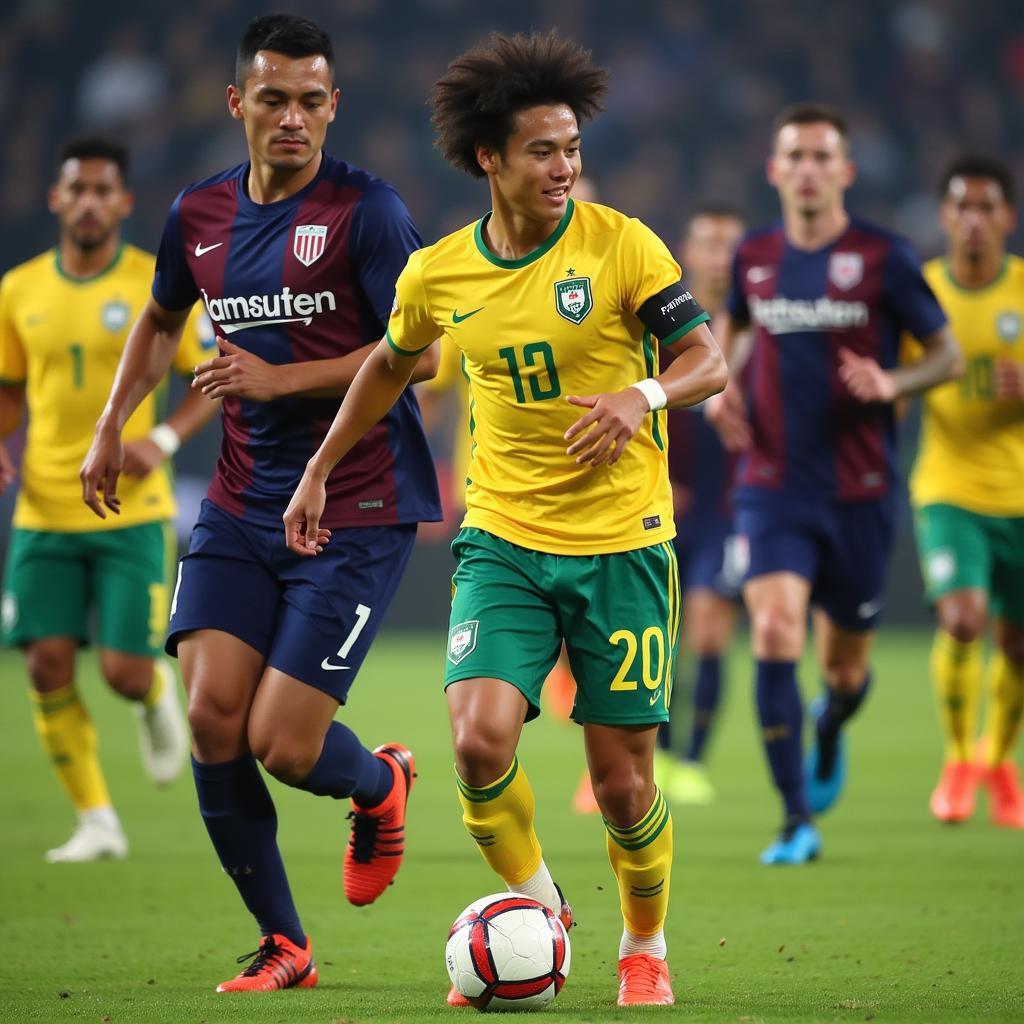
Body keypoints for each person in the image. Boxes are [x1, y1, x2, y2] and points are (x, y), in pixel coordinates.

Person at [284, 31, 727, 1007]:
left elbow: (708, 362)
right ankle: (542, 908)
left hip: (622, 546)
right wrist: (319, 467)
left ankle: (643, 943)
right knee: (480, 742)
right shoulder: (440, 273)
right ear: (490, 157)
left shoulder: (622, 245)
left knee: (620, 784)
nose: (564, 166)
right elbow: (389, 365)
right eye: (541, 149)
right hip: (503, 541)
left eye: (571, 147)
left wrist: (640, 397)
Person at [79, 15, 441, 993]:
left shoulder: (368, 210)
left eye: (311, 100)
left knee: (283, 744)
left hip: (352, 507)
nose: (293, 117)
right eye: (273, 98)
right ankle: (285, 942)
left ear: (334, 106)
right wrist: (116, 420)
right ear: (237, 102)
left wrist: (281, 384)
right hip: (241, 504)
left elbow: (426, 354)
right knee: (210, 720)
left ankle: (382, 780)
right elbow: (159, 320)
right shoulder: (197, 213)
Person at [705, 103, 961, 864]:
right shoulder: (755, 256)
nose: (809, 169)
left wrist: (892, 379)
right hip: (773, 483)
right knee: (778, 631)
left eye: (823, 157)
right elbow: (733, 329)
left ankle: (831, 718)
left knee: (846, 668)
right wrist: (721, 387)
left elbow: (944, 355)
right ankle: (794, 821)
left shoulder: (884, 256)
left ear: (844, 171)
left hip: (861, 490)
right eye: (796, 156)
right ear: (775, 169)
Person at [0, 136, 213, 863]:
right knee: (45, 665)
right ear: (57, 199)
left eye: (103, 190)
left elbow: (206, 378)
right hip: (42, 510)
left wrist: (163, 442)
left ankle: (152, 692)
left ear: (123, 203)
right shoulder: (19, 290)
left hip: (133, 508)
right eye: (76, 189)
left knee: (121, 670)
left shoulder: (154, 285)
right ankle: (97, 820)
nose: (89, 201)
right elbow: (8, 390)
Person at [905, 155, 1024, 827]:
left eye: (987, 208)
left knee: (1017, 643)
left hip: (1021, 492)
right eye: (962, 207)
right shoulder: (920, 293)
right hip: (949, 486)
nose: (974, 220)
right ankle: (957, 761)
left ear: (1006, 217)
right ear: (946, 217)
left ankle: (999, 762)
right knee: (962, 618)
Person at [656, 205, 746, 806]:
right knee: (659, 633)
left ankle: (692, 760)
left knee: (711, 628)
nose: (720, 256)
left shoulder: (762, 325)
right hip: (664, 502)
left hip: (735, 505)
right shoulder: (664, 325)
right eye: (708, 244)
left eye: (730, 245)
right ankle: (658, 756)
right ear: (687, 254)